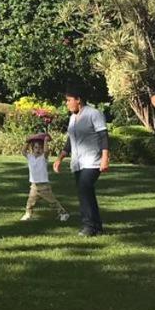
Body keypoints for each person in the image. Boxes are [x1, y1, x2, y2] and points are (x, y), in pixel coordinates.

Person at [53, 87, 110, 237]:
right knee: (86, 192)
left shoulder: (93, 114)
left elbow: (103, 136)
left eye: (69, 100)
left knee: (84, 189)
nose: (67, 103)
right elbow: (70, 141)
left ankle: (88, 226)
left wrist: (105, 158)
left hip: (93, 161)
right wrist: (60, 158)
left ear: (78, 100)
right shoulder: (72, 118)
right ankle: (97, 227)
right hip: (78, 162)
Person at [21, 132, 69, 222]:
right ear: (32, 148)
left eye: (40, 148)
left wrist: (45, 141)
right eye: (36, 148)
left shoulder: (43, 157)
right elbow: (23, 151)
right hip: (34, 186)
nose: (38, 150)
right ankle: (28, 214)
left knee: (52, 202)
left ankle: (63, 213)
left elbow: (47, 151)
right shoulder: (30, 157)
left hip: (44, 186)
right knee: (30, 203)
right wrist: (27, 141)